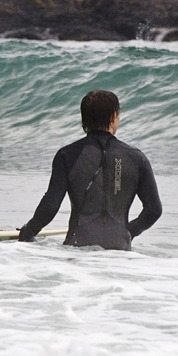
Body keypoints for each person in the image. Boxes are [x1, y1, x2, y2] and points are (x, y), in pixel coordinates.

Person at [18, 89, 162, 250]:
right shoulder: (136, 158)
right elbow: (154, 210)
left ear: (83, 118)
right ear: (114, 116)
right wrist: (128, 232)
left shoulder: (67, 155)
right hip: (119, 253)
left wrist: (28, 232)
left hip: (78, 249)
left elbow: (51, 205)